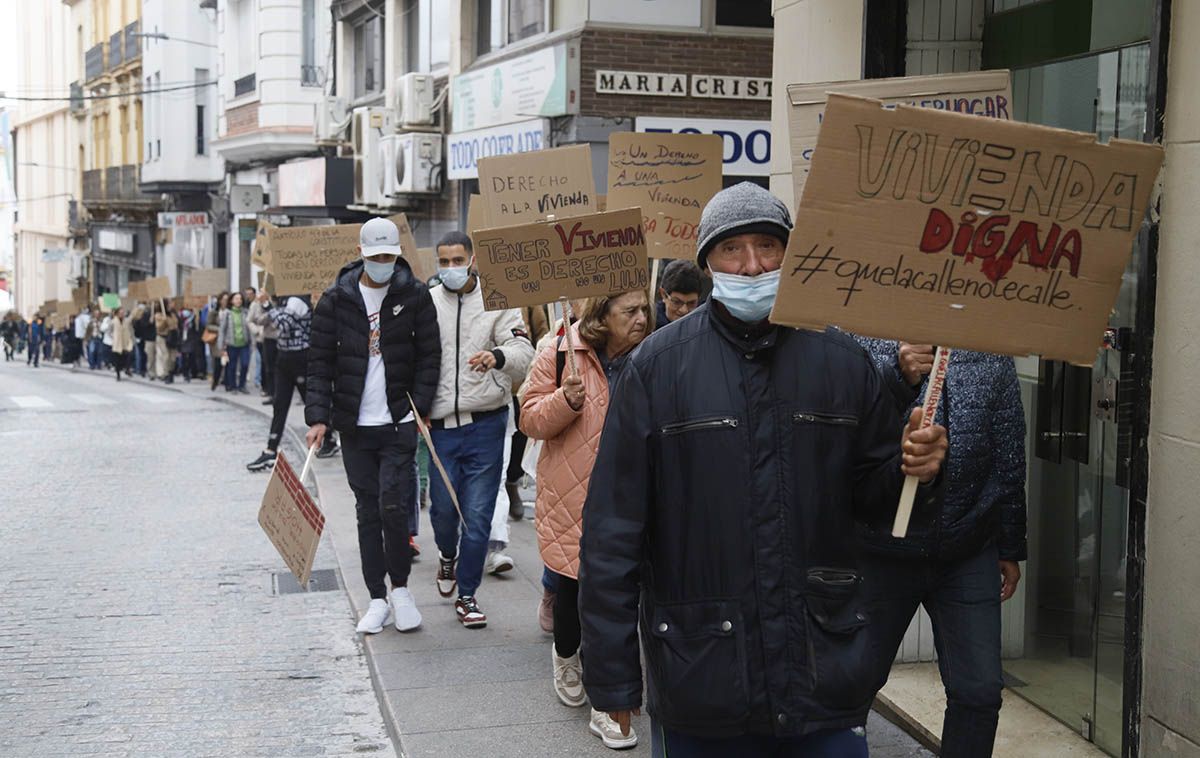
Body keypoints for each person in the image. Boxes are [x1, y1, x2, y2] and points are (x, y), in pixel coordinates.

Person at [577, 182, 950, 757]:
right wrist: (613, 677)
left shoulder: (843, 362)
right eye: (733, 249)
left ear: (790, 254)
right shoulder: (656, 368)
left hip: (822, 671)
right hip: (702, 673)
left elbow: (877, 500)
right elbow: (612, 531)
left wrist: (913, 473)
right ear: (707, 263)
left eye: (768, 246)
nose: (752, 265)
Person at [852, 338, 1027, 757]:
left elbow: (1009, 455)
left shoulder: (991, 355)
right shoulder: (860, 341)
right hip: (879, 552)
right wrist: (897, 374)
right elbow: (844, 428)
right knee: (851, 686)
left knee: (979, 690)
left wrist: (1010, 544)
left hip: (967, 548)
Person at [521, 290, 652, 750]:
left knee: (614, 599)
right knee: (574, 591)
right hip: (572, 494)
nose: (641, 319)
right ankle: (565, 656)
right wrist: (565, 400)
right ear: (602, 315)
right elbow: (530, 420)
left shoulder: (656, 353)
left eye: (644, 310)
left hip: (632, 496)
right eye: (630, 312)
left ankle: (606, 701)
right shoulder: (559, 351)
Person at [306, 217, 441, 634]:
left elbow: (429, 356)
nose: (383, 263)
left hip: (398, 421)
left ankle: (400, 588)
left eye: (389, 256)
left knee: (394, 505)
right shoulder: (337, 299)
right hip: (355, 426)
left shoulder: (414, 295)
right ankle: (377, 597)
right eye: (376, 256)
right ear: (362, 254)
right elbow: (319, 363)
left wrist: (417, 407)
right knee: (367, 511)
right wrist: (318, 417)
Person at [427, 231, 534, 629]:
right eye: (444, 261)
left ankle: (467, 595)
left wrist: (498, 356)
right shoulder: (428, 302)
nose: (451, 268)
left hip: (486, 425)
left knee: (477, 515)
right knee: (442, 512)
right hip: (439, 429)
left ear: (472, 260)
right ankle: (446, 557)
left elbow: (526, 352)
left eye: (458, 260)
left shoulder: (498, 301)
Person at [247, 295, 314, 472]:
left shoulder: (297, 301)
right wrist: (266, 306)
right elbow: (264, 321)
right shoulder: (284, 302)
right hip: (284, 357)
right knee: (280, 404)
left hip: (299, 357)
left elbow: (284, 325)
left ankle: (329, 437)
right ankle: (271, 448)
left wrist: (268, 306)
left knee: (310, 401)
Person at [502, 304, 550, 520]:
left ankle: (512, 482)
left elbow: (541, 332)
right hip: (491, 387)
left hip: (520, 385)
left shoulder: (527, 302)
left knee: (519, 441)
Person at [653, 259, 703, 331]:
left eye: (691, 303)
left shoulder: (706, 324)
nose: (684, 310)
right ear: (663, 295)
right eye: (677, 302)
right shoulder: (648, 328)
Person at [219, 292, 252, 393]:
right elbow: (222, 330)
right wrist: (221, 346)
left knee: (245, 364)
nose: (238, 301)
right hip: (231, 344)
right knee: (232, 366)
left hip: (244, 343)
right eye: (236, 299)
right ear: (232, 301)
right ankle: (232, 386)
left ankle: (242, 385)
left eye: (240, 299)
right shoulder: (227, 313)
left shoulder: (246, 312)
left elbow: (250, 326)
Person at [249, 287, 278, 403]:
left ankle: (276, 392)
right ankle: (269, 390)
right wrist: (257, 331)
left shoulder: (278, 302)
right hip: (265, 338)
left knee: (278, 367)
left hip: (280, 338)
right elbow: (254, 320)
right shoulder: (257, 305)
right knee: (268, 365)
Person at [206, 293, 228, 391]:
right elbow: (208, 325)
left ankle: (227, 381)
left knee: (227, 361)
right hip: (217, 340)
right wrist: (219, 329)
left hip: (228, 340)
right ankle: (215, 380)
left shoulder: (230, 312)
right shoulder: (214, 313)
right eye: (223, 299)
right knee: (218, 362)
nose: (225, 301)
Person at [155, 305, 180, 384]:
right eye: (168, 304)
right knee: (166, 356)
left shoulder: (173, 315)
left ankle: (171, 372)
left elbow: (176, 324)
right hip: (163, 337)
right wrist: (164, 321)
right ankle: (166, 374)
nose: (170, 306)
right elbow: (159, 328)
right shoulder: (159, 315)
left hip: (172, 337)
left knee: (173, 357)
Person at [110, 308, 135, 381]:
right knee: (117, 360)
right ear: (117, 314)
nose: (122, 314)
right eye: (120, 313)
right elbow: (109, 331)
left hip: (125, 343)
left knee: (128, 356)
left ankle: (127, 369)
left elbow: (131, 318)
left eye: (123, 313)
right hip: (117, 343)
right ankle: (118, 375)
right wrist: (113, 337)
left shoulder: (126, 321)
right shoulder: (113, 322)